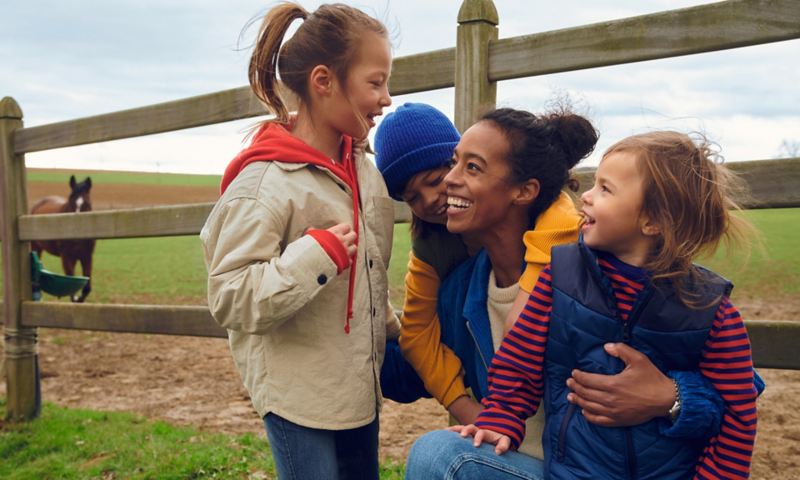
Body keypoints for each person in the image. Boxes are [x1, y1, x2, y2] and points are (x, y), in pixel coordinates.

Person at [378, 105, 731, 469]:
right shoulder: (455, 291)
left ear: (524, 191)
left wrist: (670, 397)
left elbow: (729, 396)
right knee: (440, 452)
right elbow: (413, 354)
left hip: (612, 470)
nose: (444, 187)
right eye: (451, 164)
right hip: (521, 463)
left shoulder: (602, 271)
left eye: (469, 167)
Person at [448, 131, 760, 479]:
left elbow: (737, 415)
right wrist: (501, 417)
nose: (586, 196)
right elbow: (518, 357)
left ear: (652, 221)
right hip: (574, 473)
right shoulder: (561, 278)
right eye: (594, 184)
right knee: (441, 453)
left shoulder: (711, 311)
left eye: (606, 189)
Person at [200, 3, 393, 479]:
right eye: (375, 82)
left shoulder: (366, 176)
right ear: (324, 81)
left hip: (356, 390)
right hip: (296, 397)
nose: (387, 97)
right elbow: (229, 295)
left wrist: (393, 333)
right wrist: (313, 258)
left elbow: (371, 274)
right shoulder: (265, 185)